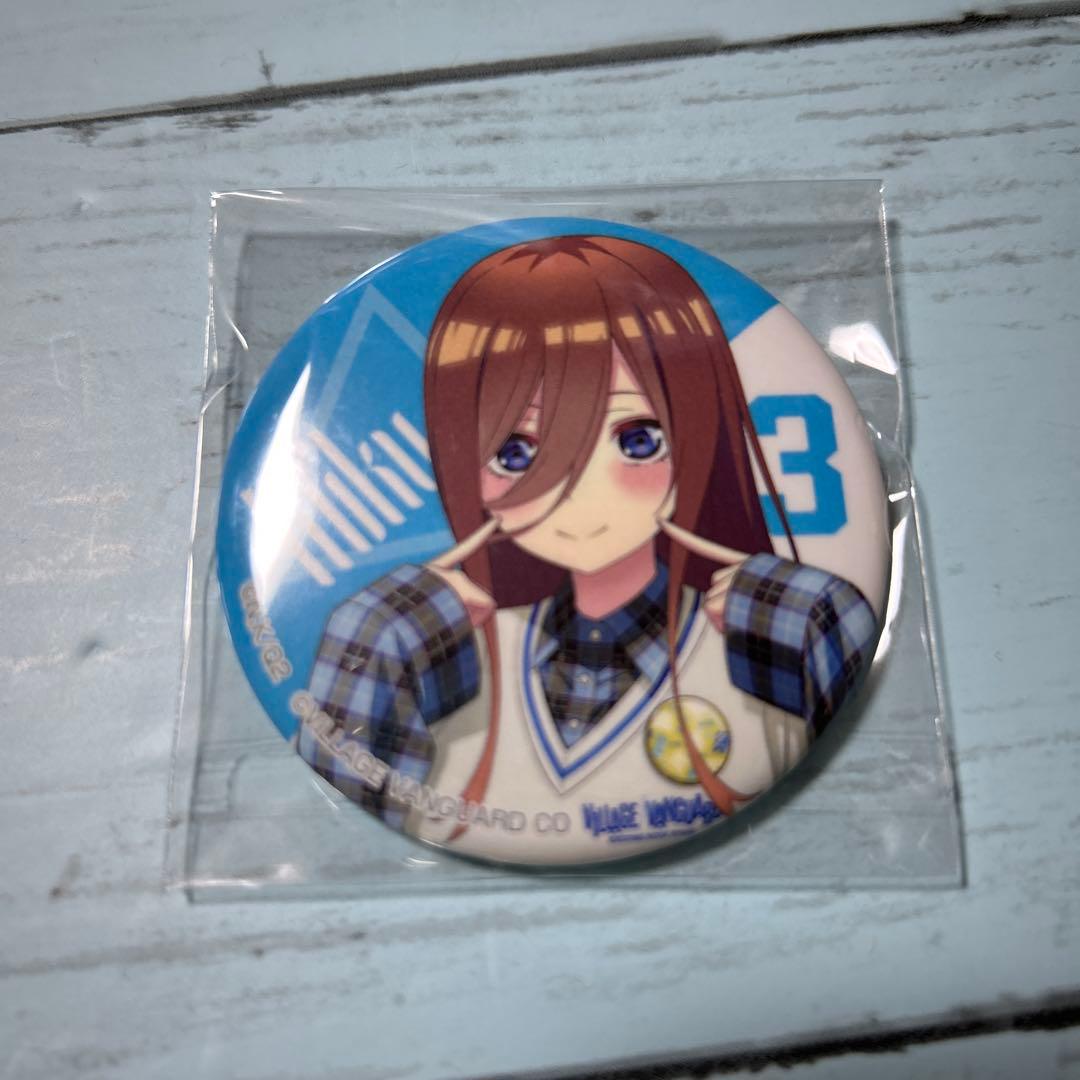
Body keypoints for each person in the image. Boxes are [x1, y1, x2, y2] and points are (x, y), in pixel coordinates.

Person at [297, 235, 880, 863]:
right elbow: (340, 816)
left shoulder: (767, 636)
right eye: (516, 452)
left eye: (636, 440)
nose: (576, 491)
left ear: (696, 438)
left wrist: (816, 614)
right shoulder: (433, 649)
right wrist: (374, 638)